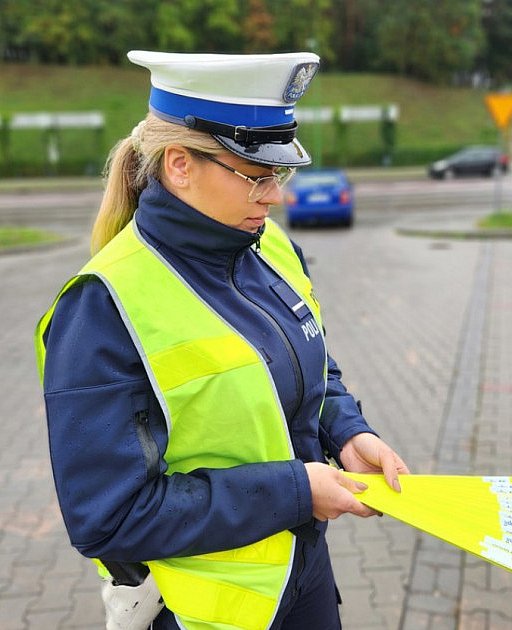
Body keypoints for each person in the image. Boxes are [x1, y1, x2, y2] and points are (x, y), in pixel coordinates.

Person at [34, 51, 408, 630]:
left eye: (279, 175)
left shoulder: (270, 246)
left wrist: (347, 429)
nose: (275, 196)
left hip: (302, 577)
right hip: (205, 614)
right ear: (180, 165)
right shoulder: (103, 306)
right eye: (257, 176)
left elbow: (311, 365)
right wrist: (295, 493)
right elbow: (107, 517)